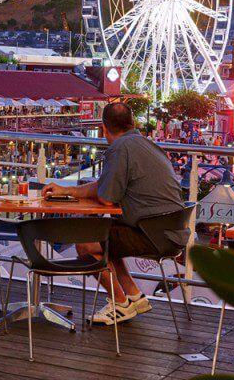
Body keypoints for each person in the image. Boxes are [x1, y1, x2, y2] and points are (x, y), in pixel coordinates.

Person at [43, 102, 189, 325]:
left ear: (103, 128)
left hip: (152, 234)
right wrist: (68, 190)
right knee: (107, 238)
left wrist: (75, 193)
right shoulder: (146, 145)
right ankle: (133, 296)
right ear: (133, 123)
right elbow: (105, 187)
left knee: (86, 244)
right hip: (170, 230)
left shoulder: (120, 148)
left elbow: (107, 197)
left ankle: (120, 304)